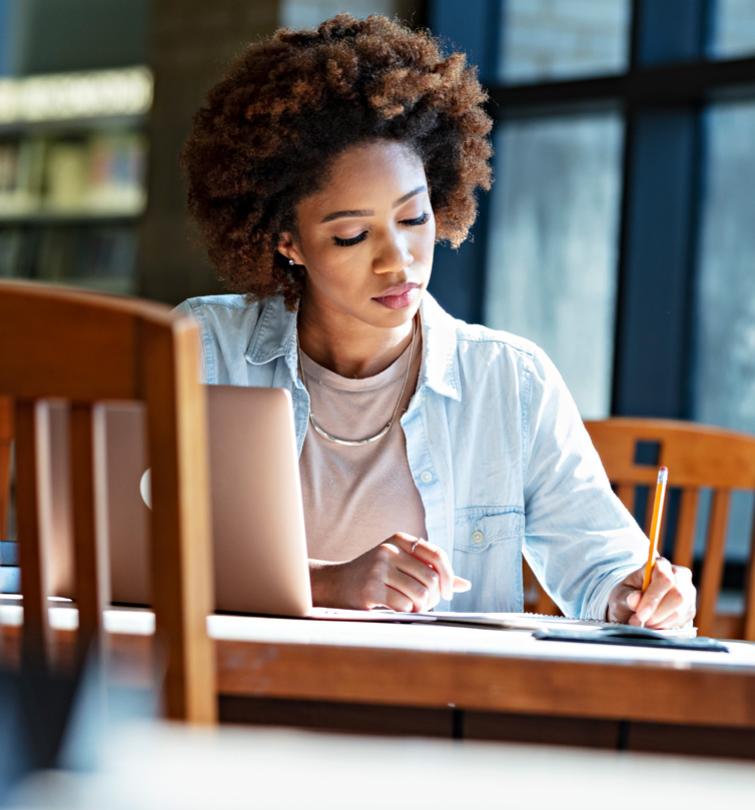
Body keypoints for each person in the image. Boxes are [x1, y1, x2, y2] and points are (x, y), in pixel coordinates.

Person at [178, 13, 696, 627]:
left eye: (414, 218)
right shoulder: (205, 351)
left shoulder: (510, 380)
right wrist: (324, 583)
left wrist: (639, 595)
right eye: (351, 235)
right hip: (237, 704)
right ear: (286, 240)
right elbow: (134, 549)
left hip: (440, 710)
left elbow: (604, 565)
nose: (397, 261)